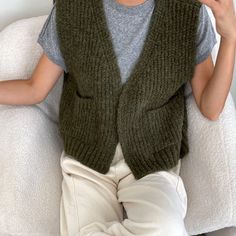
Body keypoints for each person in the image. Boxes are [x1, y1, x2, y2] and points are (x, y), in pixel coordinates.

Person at [0, 0, 235, 235]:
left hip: (153, 161)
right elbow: (35, 88)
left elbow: (210, 107)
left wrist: (230, 37)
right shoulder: (71, 9)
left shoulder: (187, 11)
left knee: (166, 230)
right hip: (87, 163)